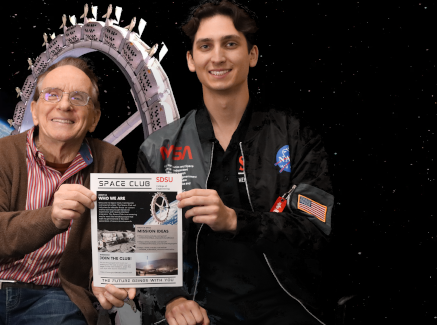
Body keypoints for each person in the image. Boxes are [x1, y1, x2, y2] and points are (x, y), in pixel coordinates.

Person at [137, 1, 334, 324]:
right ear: (190, 60)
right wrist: (172, 300)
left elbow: (316, 231)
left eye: (230, 44)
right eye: (205, 46)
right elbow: (148, 247)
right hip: (200, 311)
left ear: (252, 55)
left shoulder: (295, 136)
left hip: (288, 306)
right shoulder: (158, 148)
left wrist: (234, 221)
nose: (217, 57)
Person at [0, 57, 135, 325]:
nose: (64, 105)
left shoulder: (111, 160)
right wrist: (51, 218)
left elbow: (116, 239)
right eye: (52, 95)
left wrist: (105, 278)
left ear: (94, 119)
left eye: (78, 98)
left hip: (57, 297)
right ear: (35, 111)